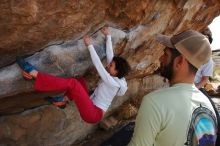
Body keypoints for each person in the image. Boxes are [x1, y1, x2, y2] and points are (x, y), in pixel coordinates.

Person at [16, 27, 131, 124]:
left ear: (116, 72)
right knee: (79, 81)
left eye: (111, 66)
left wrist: (90, 46)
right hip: (91, 106)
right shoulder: (117, 76)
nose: (108, 65)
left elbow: (99, 66)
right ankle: (62, 100)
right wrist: (108, 36)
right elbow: (111, 57)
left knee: (73, 84)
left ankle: (33, 74)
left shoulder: (113, 84)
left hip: (93, 115)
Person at [127, 30, 218, 146]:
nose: (160, 58)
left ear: (180, 61)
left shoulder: (154, 102)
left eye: (165, 54)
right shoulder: (209, 107)